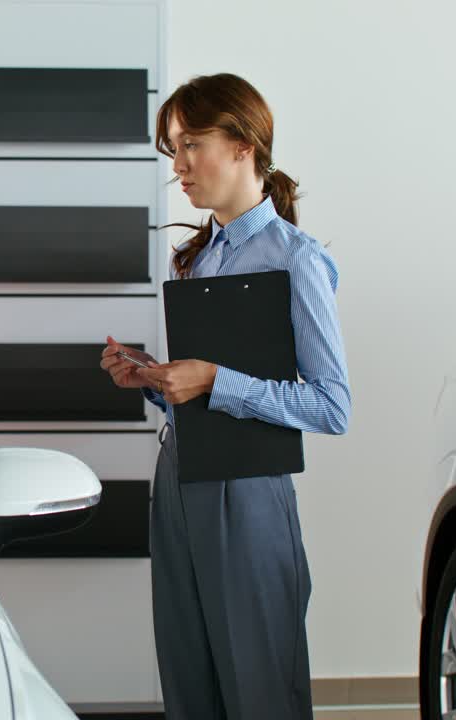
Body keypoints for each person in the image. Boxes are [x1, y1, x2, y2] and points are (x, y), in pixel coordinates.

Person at [99, 73, 351, 719]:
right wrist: (154, 381)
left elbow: (331, 405)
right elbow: (197, 388)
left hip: (248, 489)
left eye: (192, 144)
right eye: (173, 149)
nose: (178, 166)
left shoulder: (295, 259)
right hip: (179, 477)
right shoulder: (195, 258)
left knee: (258, 684)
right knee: (188, 675)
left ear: (243, 144)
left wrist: (215, 380)